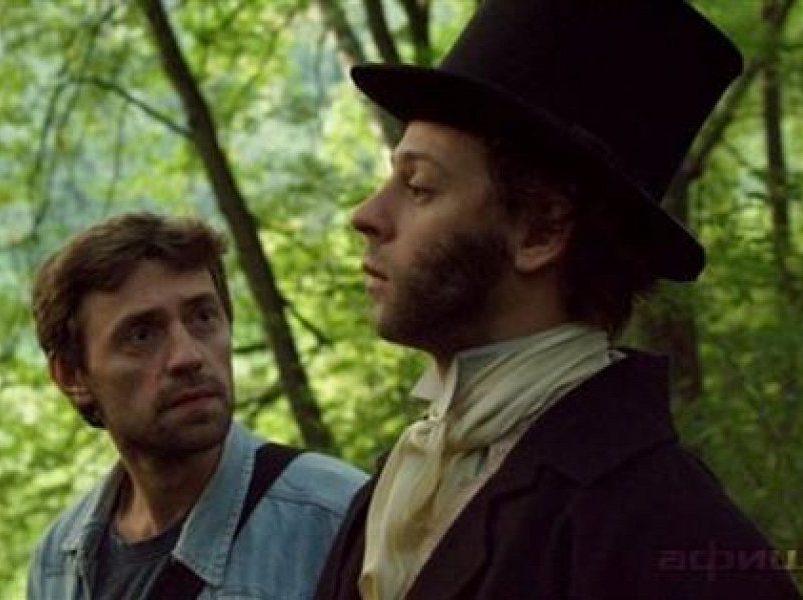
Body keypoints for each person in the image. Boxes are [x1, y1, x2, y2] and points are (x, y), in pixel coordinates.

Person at [314, 1, 801, 599]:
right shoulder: (398, 482)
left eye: (419, 187)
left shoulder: (671, 532)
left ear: (540, 230)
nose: (366, 215)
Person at [27, 212, 367, 599]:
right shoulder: (58, 562)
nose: (187, 356)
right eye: (142, 335)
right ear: (72, 376)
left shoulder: (338, 518)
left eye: (202, 317)